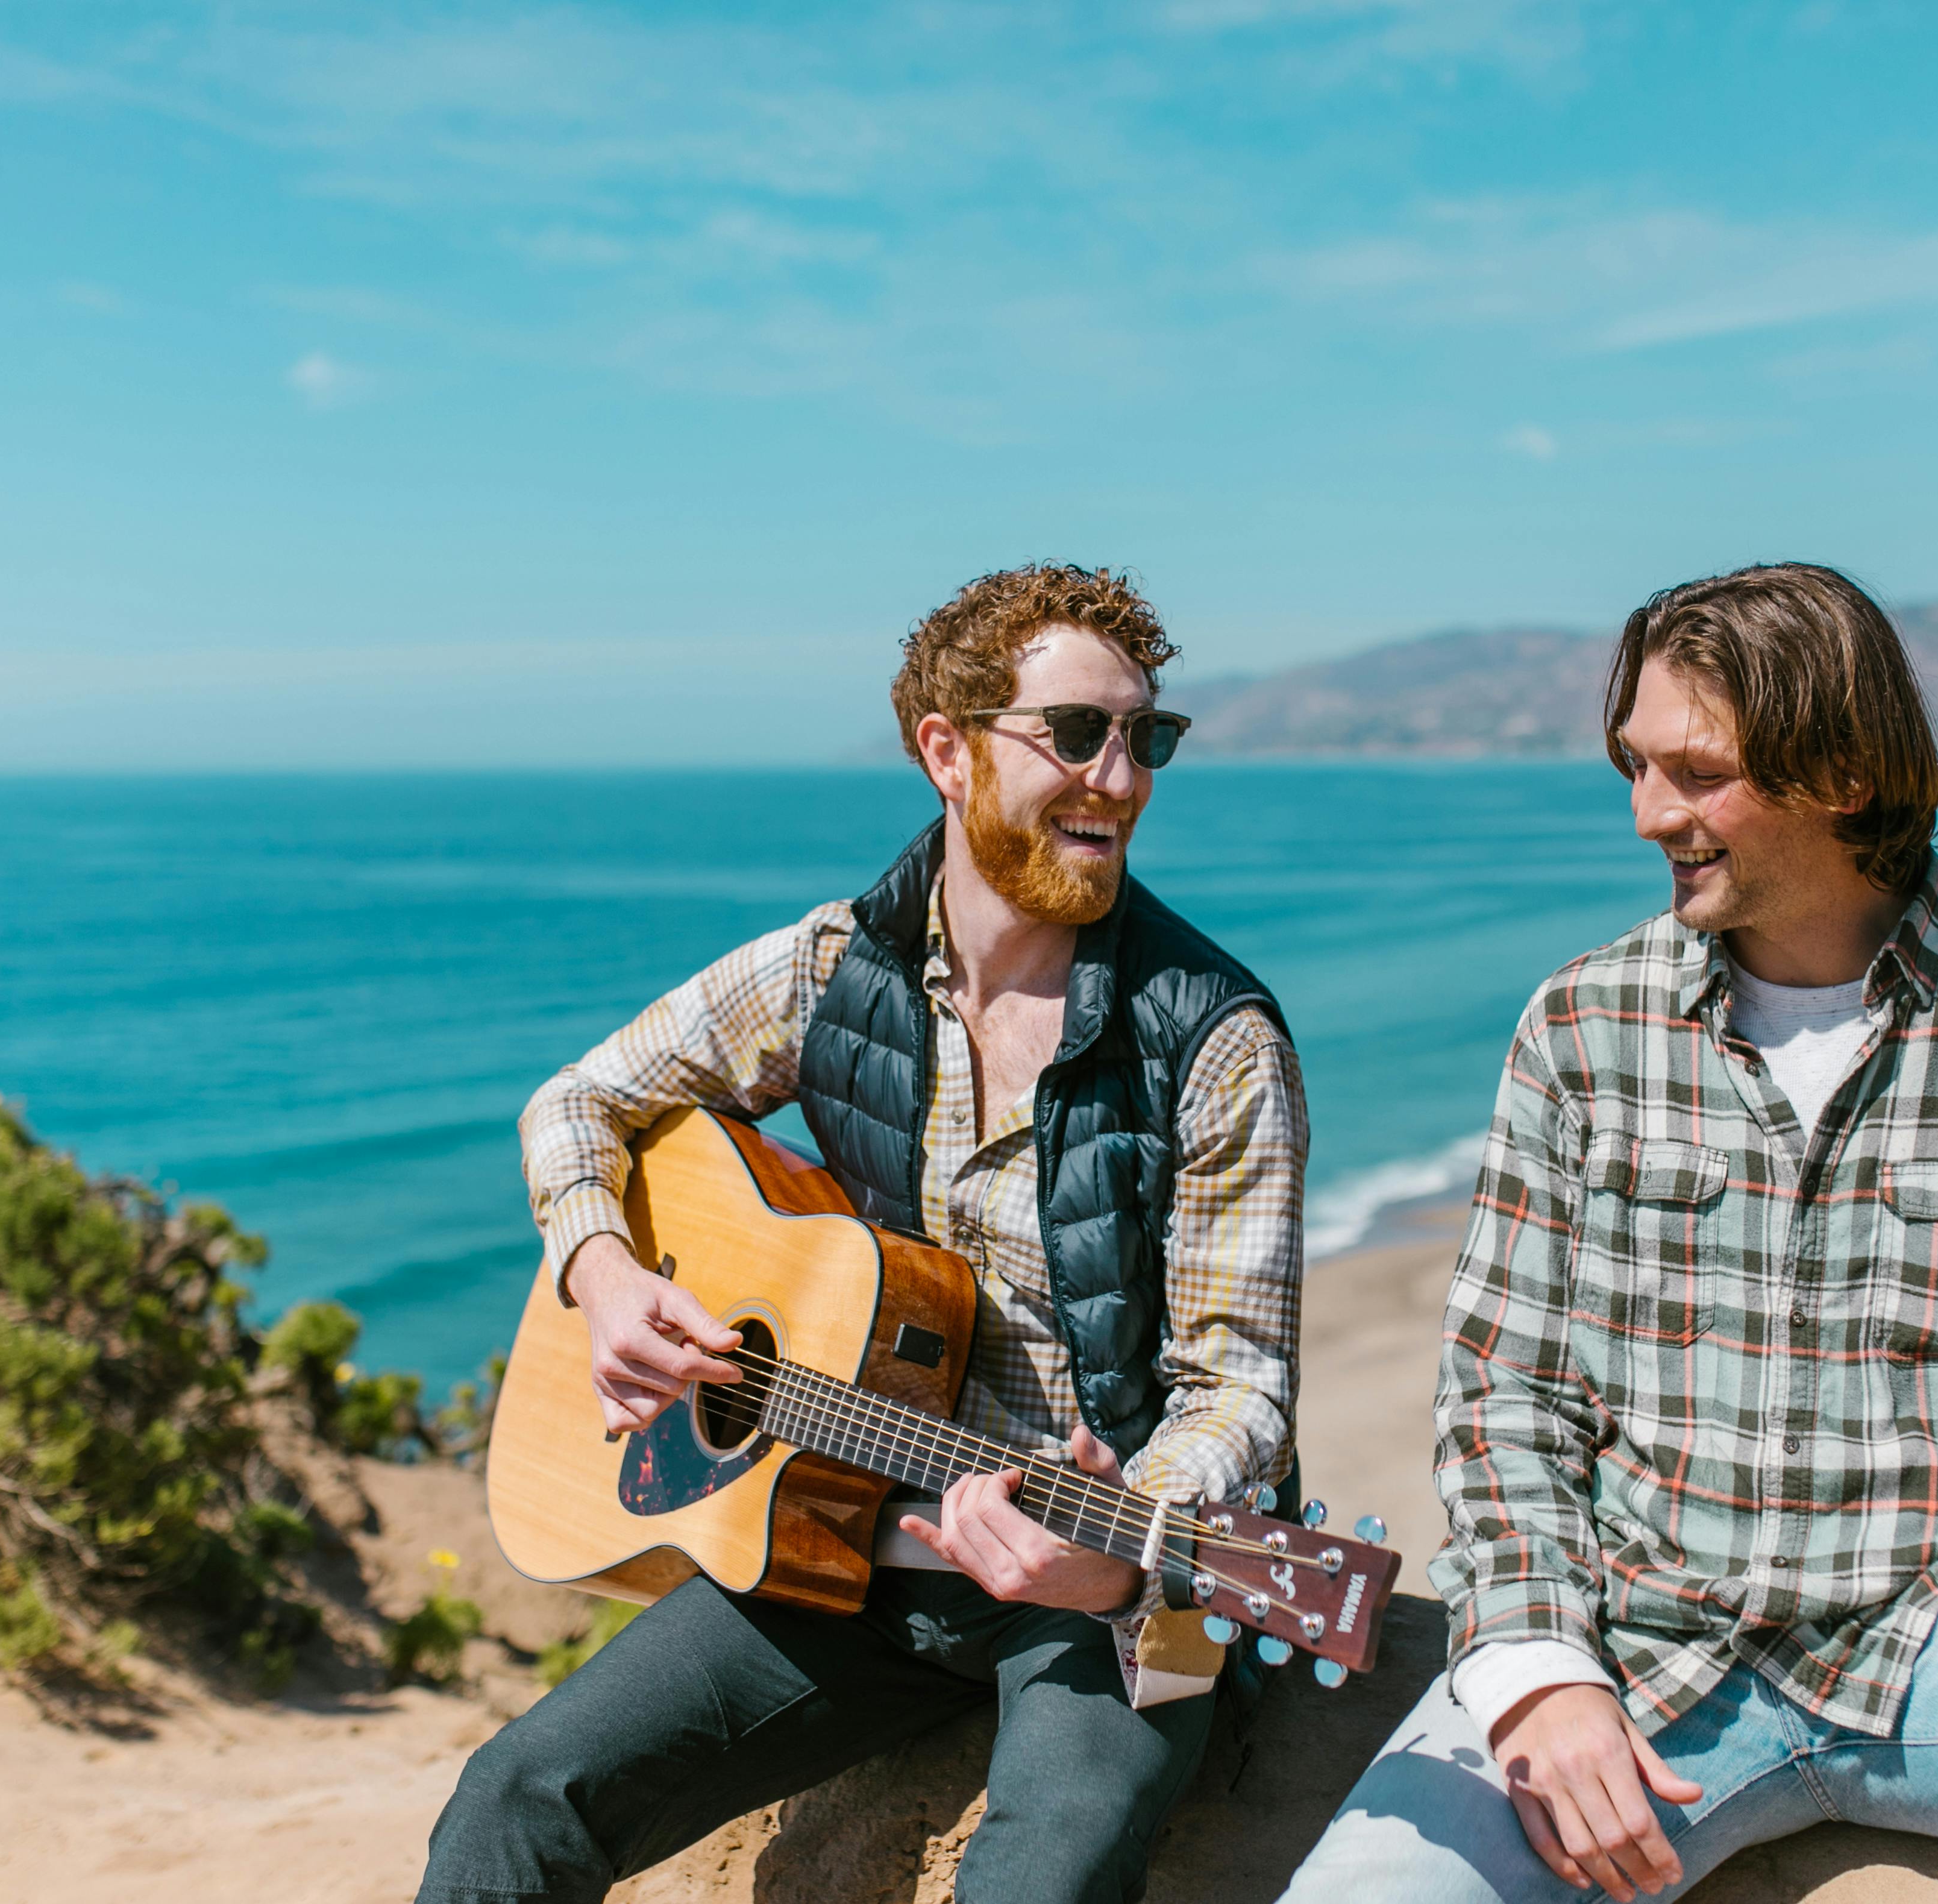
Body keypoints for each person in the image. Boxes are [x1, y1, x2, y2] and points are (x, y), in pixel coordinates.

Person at [1281, 564, 1938, 1904]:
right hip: (1639, 1650)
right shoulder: (1579, 1028)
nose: (1645, 814)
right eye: (1632, 766)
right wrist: (1537, 1675)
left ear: (1840, 769)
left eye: (1693, 772)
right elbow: (1503, 1401)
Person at [417, 565, 1308, 1904]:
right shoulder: (830, 969)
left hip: (1111, 1582)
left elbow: (1240, 1384)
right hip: (843, 1541)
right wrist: (601, 1273)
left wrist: (1124, 1533)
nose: (1118, 779)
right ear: (945, 751)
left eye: (1146, 739)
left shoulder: (1215, 1040)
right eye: (1076, 733)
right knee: (513, 1798)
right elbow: (578, 1105)